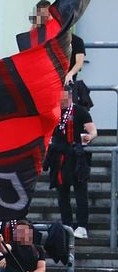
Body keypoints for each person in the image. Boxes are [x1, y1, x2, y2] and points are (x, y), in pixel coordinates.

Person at [45, 87, 97, 238]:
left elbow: (93, 131)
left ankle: (82, 226)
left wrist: (89, 137)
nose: (62, 101)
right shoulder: (55, 113)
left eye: (64, 97)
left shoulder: (80, 111)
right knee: (62, 193)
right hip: (59, 158)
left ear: (70, 97)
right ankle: (67, 223)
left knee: (80, 192)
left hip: (76, 156)